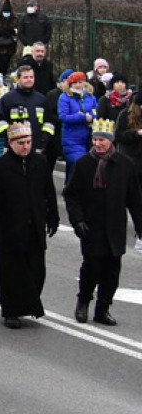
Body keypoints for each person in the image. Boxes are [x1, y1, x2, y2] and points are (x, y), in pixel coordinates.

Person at [63, 119, 142, 326]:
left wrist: (139, 225)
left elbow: (134, 199)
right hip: (92, 227)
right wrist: (77, 220)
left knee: (112, 272)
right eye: (96, 139)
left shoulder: (125, 165)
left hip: (115, 228)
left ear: (111, 142)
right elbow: (71, 196)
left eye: (102, 140)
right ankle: (83, 302)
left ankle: (103, 308)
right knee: (91, 269)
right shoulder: (83, 164)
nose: (98, 144)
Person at [0, 122, 60, 328]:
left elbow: (48, 191)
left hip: (34, 224)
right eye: (21, 143)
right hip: (11, 228)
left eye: (28, 142)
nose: (26, 146)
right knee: (12, 272)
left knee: (37, 269)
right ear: (10, 143)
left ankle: (29, 305)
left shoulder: (40, 162)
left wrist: (53, 216)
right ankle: (11, 310)